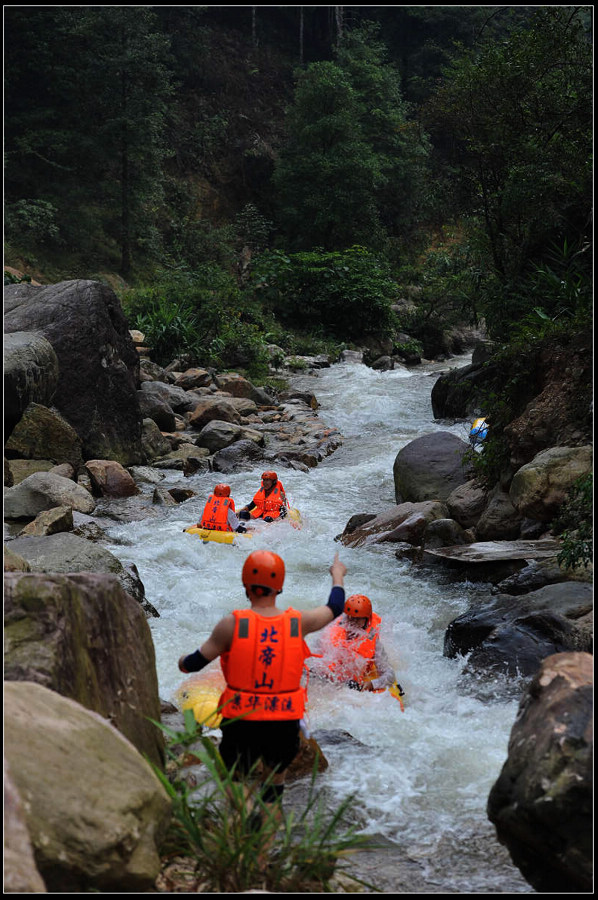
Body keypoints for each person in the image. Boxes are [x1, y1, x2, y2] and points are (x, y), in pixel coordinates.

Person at [178, 549, 347, 818]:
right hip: (282, 722)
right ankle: (264, 845)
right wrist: (337, 575)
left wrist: (182, 661)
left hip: (242, 720)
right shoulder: (296, 623)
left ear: (246, 585)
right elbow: (336, 607)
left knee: (234, 780)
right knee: (274, 782)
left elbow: (193, 664)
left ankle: (246, 821)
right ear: (279, 587)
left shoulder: (231, 625)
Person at [313, 593, 397, 692]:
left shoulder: (373, 641)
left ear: (366, 619)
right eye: (350, 617)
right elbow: (314, 654)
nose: (353, 622)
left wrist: (372, 684)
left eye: (358, 619)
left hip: (351, 684)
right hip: (329, 678)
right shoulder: (332, 628)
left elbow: (390, 675)